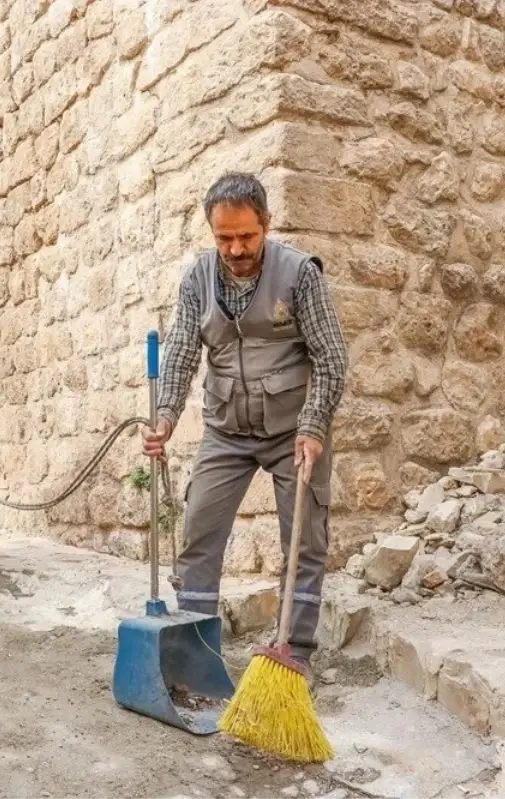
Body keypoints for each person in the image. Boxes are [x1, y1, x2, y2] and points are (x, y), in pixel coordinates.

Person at [142, 171, 348, 683]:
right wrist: (165, 415)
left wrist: (314, 424)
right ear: (212, 232)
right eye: (224, 238)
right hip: (225, 429)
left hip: (292, 431)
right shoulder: (198, 279)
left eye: (246, 237)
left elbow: (331, 357)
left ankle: (293, 653)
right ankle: (193, 649)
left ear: (266, 224)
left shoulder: (300, 274)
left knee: (303, 543)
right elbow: (183, 351)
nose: (235, 249)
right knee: (198, 535)